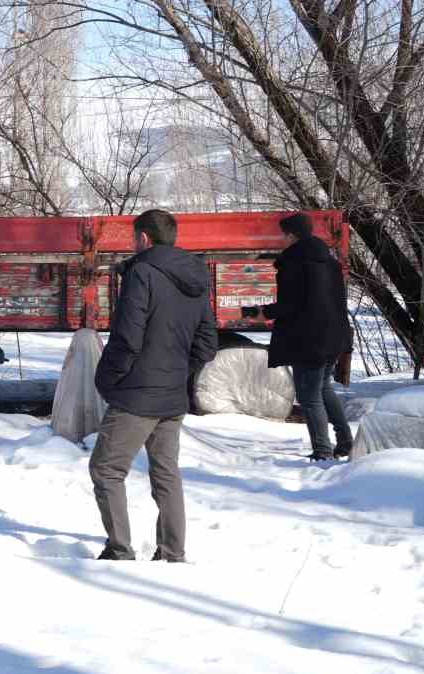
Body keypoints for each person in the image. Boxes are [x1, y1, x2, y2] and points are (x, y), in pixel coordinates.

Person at [91, 209, 218, 562]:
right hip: (172, 396)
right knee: (166, 473)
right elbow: (207, 343)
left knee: (106, 469)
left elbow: (128, 338)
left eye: (135, 240)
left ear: (144, 239)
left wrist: (106, 378)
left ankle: (119, 551)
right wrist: (178, 372)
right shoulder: (196, 277)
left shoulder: (143, 273)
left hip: (136, 394)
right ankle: (172, 552)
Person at [242, 213, 354, 461]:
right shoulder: (330, 262)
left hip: (309, 339)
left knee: (309, 396)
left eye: (284, 235)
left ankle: (323, 451)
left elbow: (291, 304)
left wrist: (263, 313)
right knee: (324, 388)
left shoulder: (294, 263)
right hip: (333, 336)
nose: (282, 240)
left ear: (291, 236)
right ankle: (345, 441)